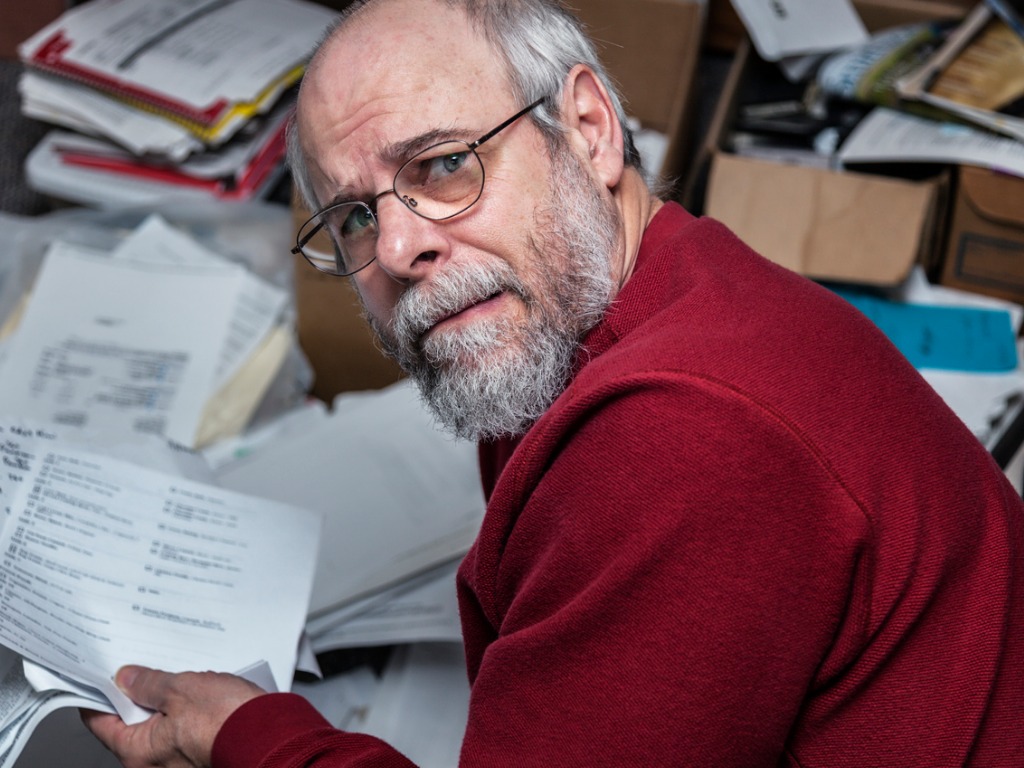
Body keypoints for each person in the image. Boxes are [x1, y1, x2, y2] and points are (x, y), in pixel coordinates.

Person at [84, 0, 1024, 765]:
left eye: (445, 164)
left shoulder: (683, 438)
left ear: (587, 129)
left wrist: (248, 735)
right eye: (354, 218)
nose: (401, 246)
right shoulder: (632, 288)